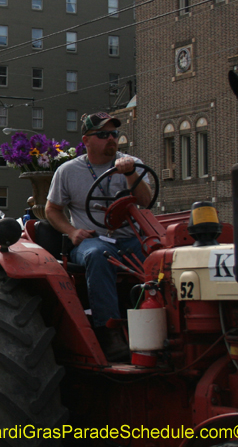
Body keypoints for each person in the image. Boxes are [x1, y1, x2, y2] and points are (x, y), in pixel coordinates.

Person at [45, 112, 152, 362]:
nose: (111, 139)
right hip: (93, 240)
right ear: (86, 140)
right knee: (98, 255)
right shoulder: (68, 171)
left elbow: (145, 202)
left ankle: (159, 321)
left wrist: (131, 174)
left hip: (130, 238)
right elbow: (52, 210)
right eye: (103, 135)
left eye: (114, 134)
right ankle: (108, 332)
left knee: (160, 257)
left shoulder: (132, 163)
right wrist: (72, 232)